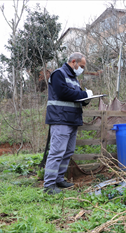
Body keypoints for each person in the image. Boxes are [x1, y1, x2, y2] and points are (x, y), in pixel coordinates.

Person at [43, 52, 93, 195]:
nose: (82, 69)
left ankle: (59, 179)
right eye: (81, 66)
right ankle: (49, 185)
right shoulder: (59, 74)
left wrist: (86, 99)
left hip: (72, 120)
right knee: (57, 152)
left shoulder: (74, 79)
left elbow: (74, 97)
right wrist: (84, 95)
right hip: (61, 119)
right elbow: (63, 93)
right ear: (73, 62)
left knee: (68, 152)